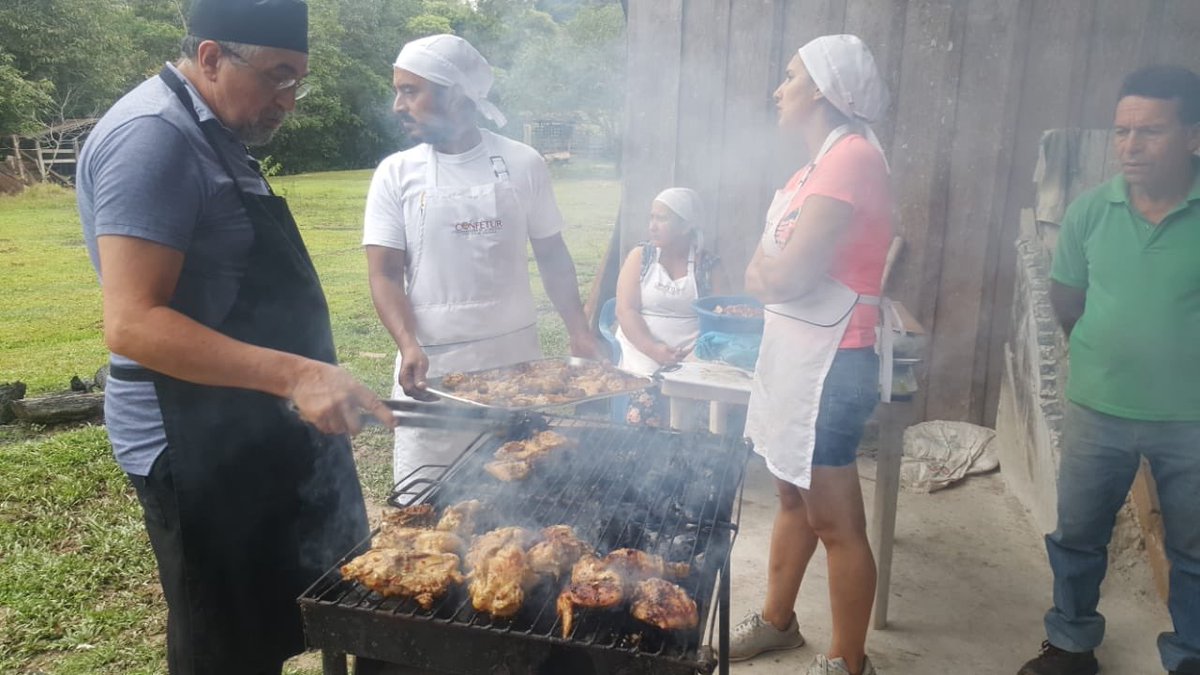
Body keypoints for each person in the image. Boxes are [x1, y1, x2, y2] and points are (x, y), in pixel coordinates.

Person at [75, 1, 396, 672]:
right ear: (212, 56)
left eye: (298, 80)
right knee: (225, 643)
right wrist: (300, 375)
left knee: (293, 605)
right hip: (193, 443)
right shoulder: (152, 137)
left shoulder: (217, 133)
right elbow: (132, 321)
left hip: (250, 419)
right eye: (279, 75)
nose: (290, 99)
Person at [1017, 65, 1200, 675]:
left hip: (1192, 419)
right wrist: (1108, 354)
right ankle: (1071, 645)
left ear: (1194, 137)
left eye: (1150, 132)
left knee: (1194, 549)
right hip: (1098, 406)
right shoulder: (1092, 210)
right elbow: (1067, 300)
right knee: (1076, 537)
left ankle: (1190, 656)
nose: (1130, 146)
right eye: (1122, 131)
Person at [363, 34, 602, 485]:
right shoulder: (395, 173)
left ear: (454, 94)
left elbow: (552, 256)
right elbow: (384, 274)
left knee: (517, 490)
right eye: (398, 91)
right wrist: (407, 344)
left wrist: (579, 331)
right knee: (426, 500)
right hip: (431, 372)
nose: (398, 105)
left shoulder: (523, 162)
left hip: (514, 364)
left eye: (410, 90)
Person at [731, 35, 893, 675]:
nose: (779, 88)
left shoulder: (852, 158)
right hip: (790, 357)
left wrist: (766, 273)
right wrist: (767, 273)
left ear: (823, 89)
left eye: (790, 75)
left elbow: (786, 276)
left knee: (836, 522)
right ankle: (778, 622)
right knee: (792, 500)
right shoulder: (809, 171)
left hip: (832, 361)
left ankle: (848, 661)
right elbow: (763, 269)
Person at [614, 187, 724, 425]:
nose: (652, 226)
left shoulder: (708, 265)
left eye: (662, 219)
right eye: (651, 217)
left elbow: (720, 319)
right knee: (644, 407)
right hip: (642, 347)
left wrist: (695, 353)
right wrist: (654, 348)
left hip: (692, 352)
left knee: (704, 412)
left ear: (685, 227)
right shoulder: (641, 257)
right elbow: (626, 310)